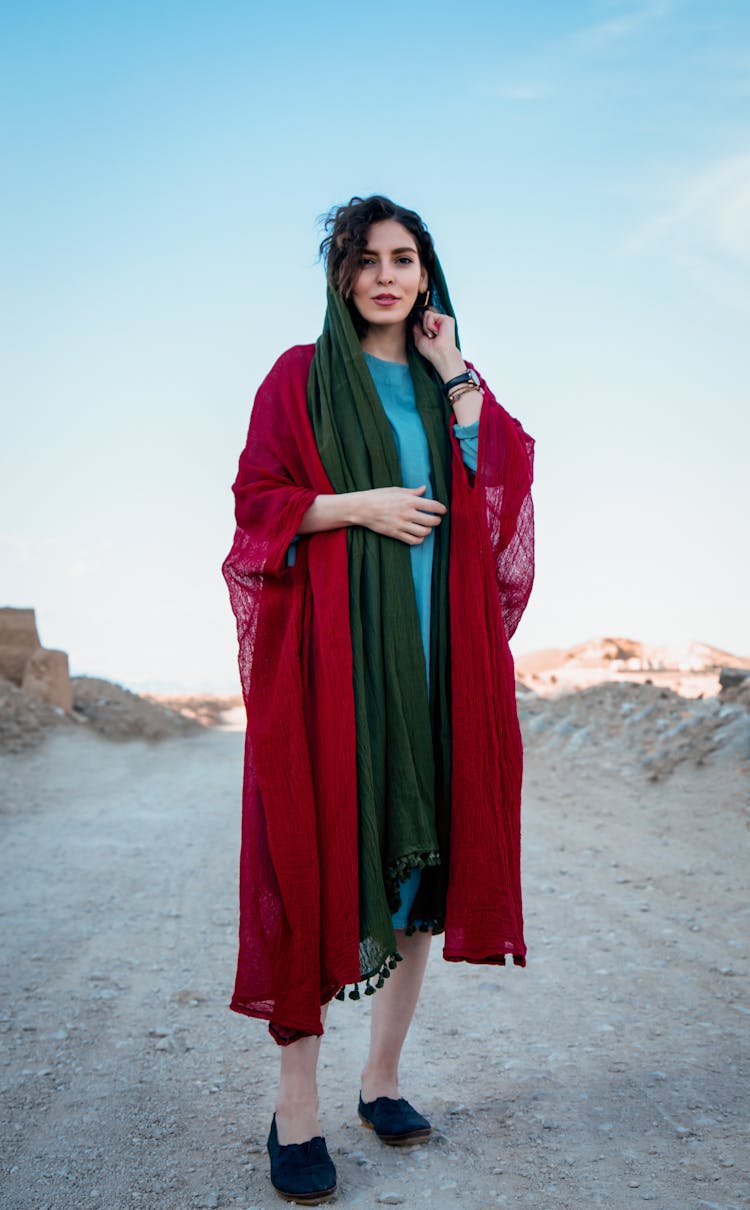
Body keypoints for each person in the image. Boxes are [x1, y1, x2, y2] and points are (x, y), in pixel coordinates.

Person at [223, 194, 535, 1204]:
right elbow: (256, 504)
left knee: (423, 869)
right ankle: (296, 1104)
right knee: (319, 855)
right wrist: (360, 506)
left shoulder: (452, 385)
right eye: (368, 260)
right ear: (341, 276)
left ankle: (383, 1077)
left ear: (426, 275)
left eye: (406, 259)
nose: (388, 276)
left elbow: (503, 487)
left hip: (444, 658)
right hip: (335, 662)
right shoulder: (303, 377)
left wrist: (457, 376)